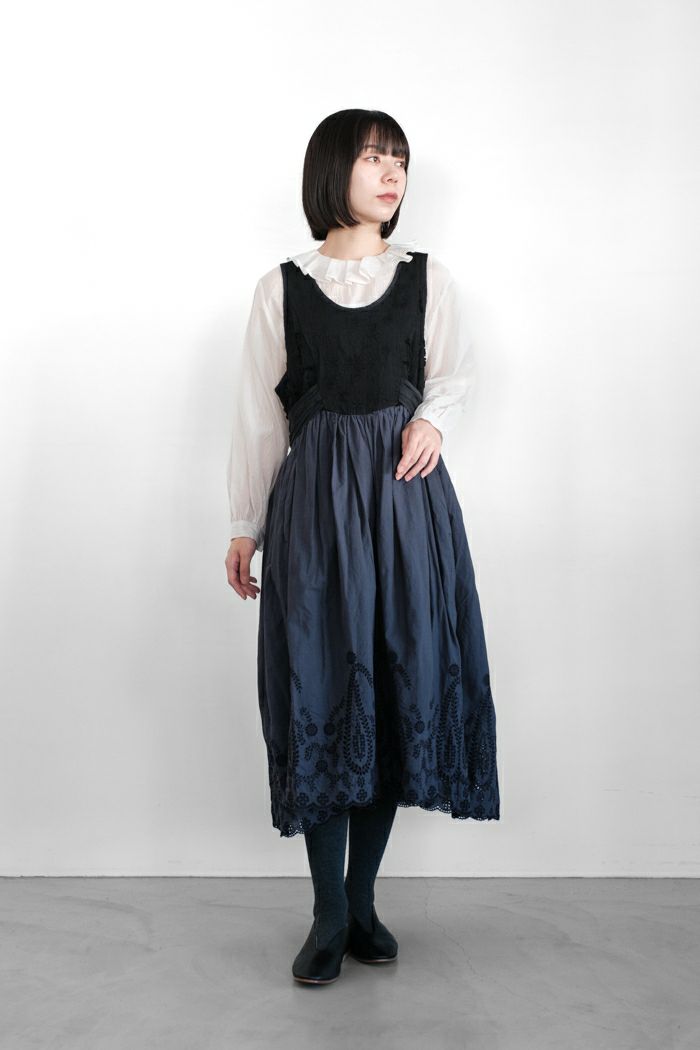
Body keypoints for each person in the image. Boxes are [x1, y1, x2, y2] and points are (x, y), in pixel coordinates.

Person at [225, 109, 500, 985]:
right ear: (332, 168)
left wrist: (433, 421)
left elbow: (454, 374)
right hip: (314, 512)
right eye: (375, 157)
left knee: (392, 685)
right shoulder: (281, 288)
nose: (392, 174)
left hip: (404, 508)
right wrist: (245, 523)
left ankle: (364, 899)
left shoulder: (427, 278)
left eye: (400, 161)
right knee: (323, 686)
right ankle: (328, 913)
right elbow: (258, 416)